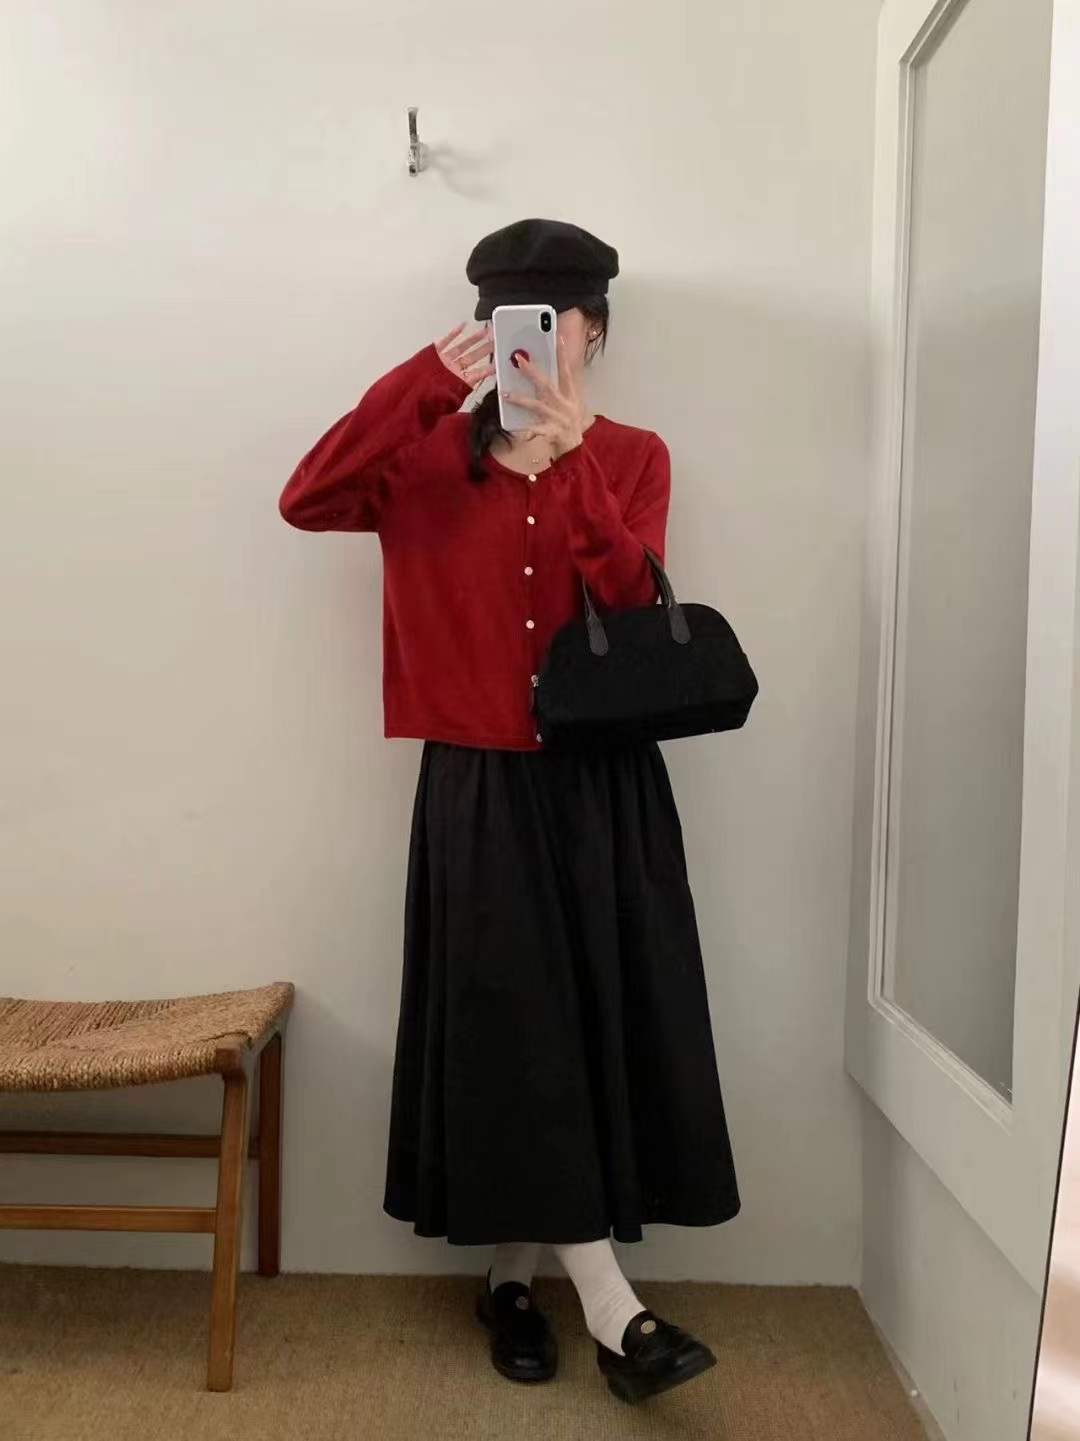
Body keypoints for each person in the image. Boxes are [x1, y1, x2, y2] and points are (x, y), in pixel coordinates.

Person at [278, 218, 740, 1405]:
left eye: (561, 324)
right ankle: (618, 1313)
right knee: (518, 1028)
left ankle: (511, 1281)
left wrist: (570, 463)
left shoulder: (632, 456)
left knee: (573, 1028)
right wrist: (426, 383)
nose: (540, 343)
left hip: (604, 780)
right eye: (513, 324)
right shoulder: (424, 455)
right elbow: (307, 497)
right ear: (485, 330)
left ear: (597, 334)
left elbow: (632, 601)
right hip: (479, 780)